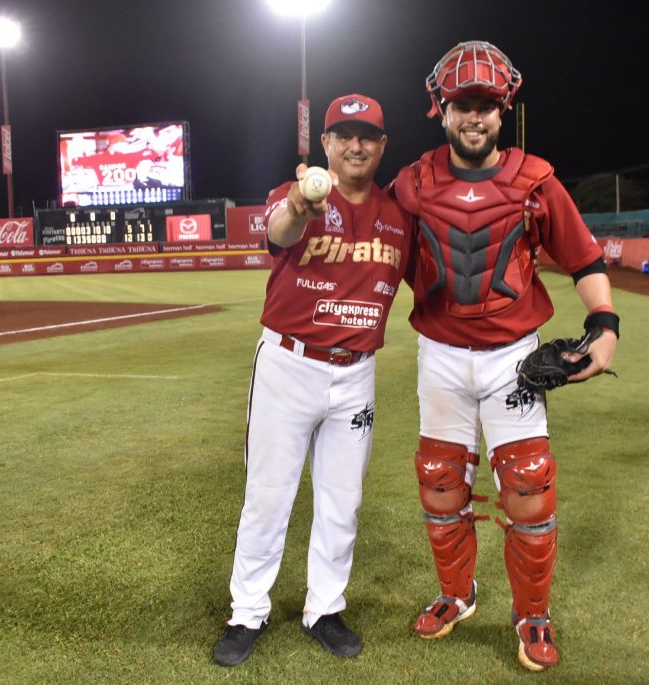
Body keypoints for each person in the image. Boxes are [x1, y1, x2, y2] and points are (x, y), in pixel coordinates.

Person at [389, 41, 618, 672]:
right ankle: (457, 594)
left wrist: (604, 325)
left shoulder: (535, 181)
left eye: (486, 105)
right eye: (463, 104)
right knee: (440, 483)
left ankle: (532, 614)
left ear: (503, 110)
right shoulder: (411, 185)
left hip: (512, 357)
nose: (474, 117)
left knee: (528, 486)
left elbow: (584, 259)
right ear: (441, 109)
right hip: (439, 354)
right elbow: (378, 251)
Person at [213, 94, 414, 667]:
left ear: (382, 145)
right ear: (325, 143)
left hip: (357, 374)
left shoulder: (398, 217)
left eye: (367, 135)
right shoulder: (296, 195)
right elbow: (279, 231)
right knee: (268, 496)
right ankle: (247, 611)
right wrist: (300, 205)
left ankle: (324, 608)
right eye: (343, 135)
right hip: (290, 365)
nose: (355, 145)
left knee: (342, 501)